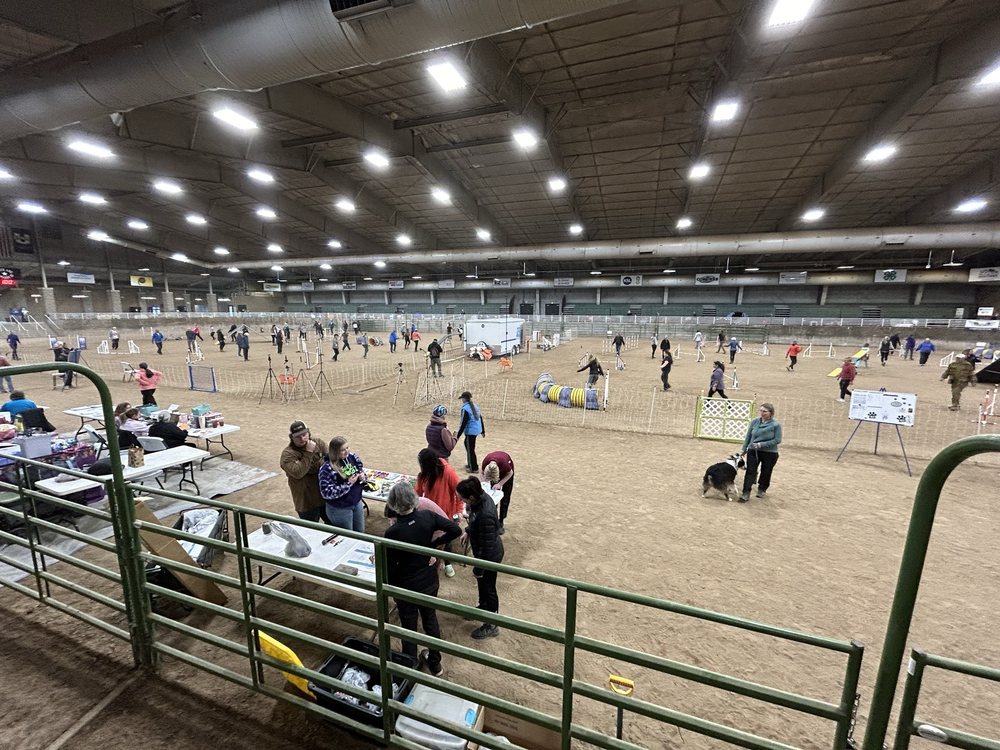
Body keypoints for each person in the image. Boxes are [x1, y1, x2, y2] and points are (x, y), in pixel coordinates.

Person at [383, 483, 462, 678]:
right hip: (429, 580)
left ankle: (410, 665)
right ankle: (435, 663)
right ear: (413, 499)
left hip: (406, 585)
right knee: (430, 619)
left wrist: (391, 588)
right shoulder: (427, 516)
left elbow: (390, 567)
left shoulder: (393, 532)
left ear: (393, 504)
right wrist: (433, 545)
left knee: (409, 626)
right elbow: (455, 530)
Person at [455, 476, 504, 640]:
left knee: (489, 587)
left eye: (462, 498)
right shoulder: (479, 500)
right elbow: (475, 522)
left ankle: (492, 624)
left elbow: (487, 547)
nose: (461, 501)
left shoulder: (486, 514)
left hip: (489, 556)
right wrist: (468, 531)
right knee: (483, 585)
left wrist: (478, 568)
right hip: (483, 552)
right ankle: (483, 607)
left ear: (471, 497)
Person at [415, 447, 462, 577]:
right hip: (429, 514)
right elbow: (417, 492)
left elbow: (459, 491)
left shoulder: (448, 472)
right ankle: (432, 564)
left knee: (446, 540)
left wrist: (458, 511)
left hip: (446, 513)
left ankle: (447, 563)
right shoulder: (424, 474)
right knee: (430, 539)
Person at [279, 421, 329, 522]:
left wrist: (306, 465)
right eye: (298, 436)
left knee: (334, 527)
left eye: (304, 434)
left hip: (325, 496)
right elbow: (298, 473)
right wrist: (308, 452)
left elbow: (331, 461)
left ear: (308, 432)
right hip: (306, 502)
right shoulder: (288, 454)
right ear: (291, 437)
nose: (302, 438)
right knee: (311, 530)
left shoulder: (319, 443)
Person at [319, 435, 368, 532]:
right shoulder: (327, 468)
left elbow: (360, 469)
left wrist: (363, 477)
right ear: (335, 451)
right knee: (347, 536)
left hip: (356, 502)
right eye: (342, 450)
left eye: (347, 447)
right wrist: (348, 484)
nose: (347, 451)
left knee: (361, 533)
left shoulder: (352, 457)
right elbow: (326, 493)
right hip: (339, 508)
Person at [739, 403, 782, 502]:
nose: (762, 413)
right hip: (753, 450)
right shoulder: (755, 421)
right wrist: (744, 449)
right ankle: (746, 492)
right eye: (761, 411)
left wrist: (761, 444)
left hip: (770, 453)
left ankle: (762, 488)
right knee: (750, 471)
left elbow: (777, 440)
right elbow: (748, 436)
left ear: (771, 413)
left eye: (765, 411)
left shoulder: (776, 425)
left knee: (766, 472)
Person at [480, 451, 514, 534]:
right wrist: (484, 482)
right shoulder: (486, 462)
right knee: (492, 497)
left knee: (505, 496)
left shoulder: (505, 465)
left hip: (506, 472)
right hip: (493, 472)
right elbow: (481, 472)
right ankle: (493, 519)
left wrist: (500, 484)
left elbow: (510, 473)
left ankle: (501, 520)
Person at [455, 391, 485, 473]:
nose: (462, 400)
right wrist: (483, 430)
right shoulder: (474, 406)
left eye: (462, 398)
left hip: (470, 431)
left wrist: (458, 435)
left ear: (464, 399)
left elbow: (463, 423)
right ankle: (470, 464)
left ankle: (473, 468)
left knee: (470, 449)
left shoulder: (465, 409)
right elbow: (480, 418)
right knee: (468, 446)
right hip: (476, 429)